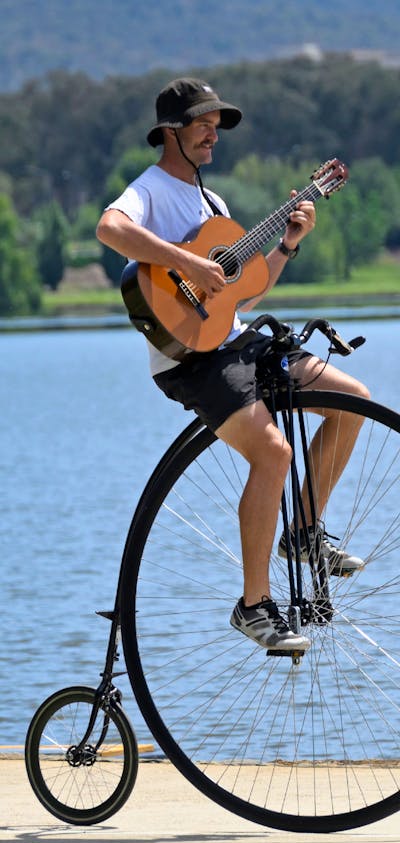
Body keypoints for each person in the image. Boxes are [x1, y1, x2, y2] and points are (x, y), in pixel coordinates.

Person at [96, 77, 370, 653]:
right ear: (170, 131)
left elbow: (242, 292)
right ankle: (253, 606)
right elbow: (110, 229)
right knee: (274, 452)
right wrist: (184, 263)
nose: (212, 134)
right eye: (201, 123)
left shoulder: (213, 205)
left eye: (216, 125)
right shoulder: (148, 190)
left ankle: (300, 534)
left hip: (236, 341)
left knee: (353, 403)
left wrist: (287, 244)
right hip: (191, 360)